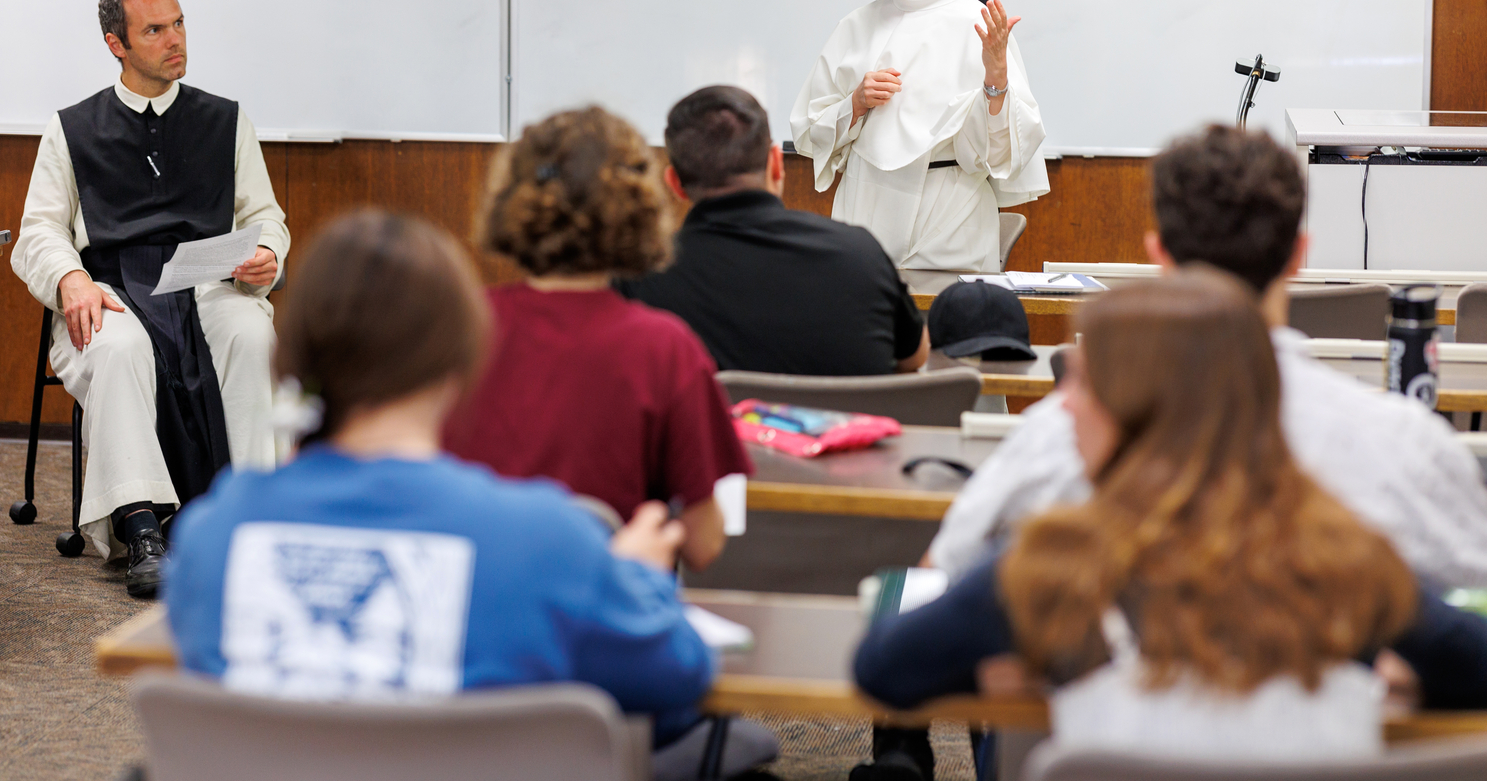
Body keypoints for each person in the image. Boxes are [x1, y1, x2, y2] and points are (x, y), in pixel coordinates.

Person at [163, 211, 778, 778]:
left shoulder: (213, 535)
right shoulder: (547, 539)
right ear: (464, 358)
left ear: (293, 350)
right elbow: (676, 683)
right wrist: (635, 581)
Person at [854, 271, 1487, 768]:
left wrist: (1016, 660)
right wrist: (1397, 664)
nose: (1064, 403)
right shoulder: (1349, 557)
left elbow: (883, 671)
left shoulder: (1049, 565)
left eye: (1087, 385)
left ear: (1142, 412)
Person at [927, 125, 1487, 588]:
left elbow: (941, 575)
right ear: (1298, 257)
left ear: (1159, 255)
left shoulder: (1062, 437)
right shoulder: (1402, 445)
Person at [12, 0, 288, 596]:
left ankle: (240, 518)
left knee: (249, 333)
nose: (175, 41)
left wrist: (268, 252)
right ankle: (143, 530)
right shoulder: (72, 128)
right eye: (154, 30)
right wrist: (72, 278)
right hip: (109, 288)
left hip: (206, 285)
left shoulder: (226, 121)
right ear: (117, 44)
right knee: (116, 347)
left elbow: (264, 217)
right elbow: (38, 232)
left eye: (179, 23)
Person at [442, 106, 752, 573]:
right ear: (637, 206)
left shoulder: (453, 328)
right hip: (607, 616)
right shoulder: (665, 349)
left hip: (473, 609)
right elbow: (704, 543)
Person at [791, 0, 1049, 272]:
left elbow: (1002, 153)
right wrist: (856, 103)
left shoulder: (977, 23)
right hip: (864, 220)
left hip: (947, 223)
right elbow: (810, 132)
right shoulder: (857, 26)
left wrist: (995, 77)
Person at [615, 84, 928, 375]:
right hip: (846, 434)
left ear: (675, 185)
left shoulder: (641, 277)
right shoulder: (860, 255)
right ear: (776, 164)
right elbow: (915, 357)